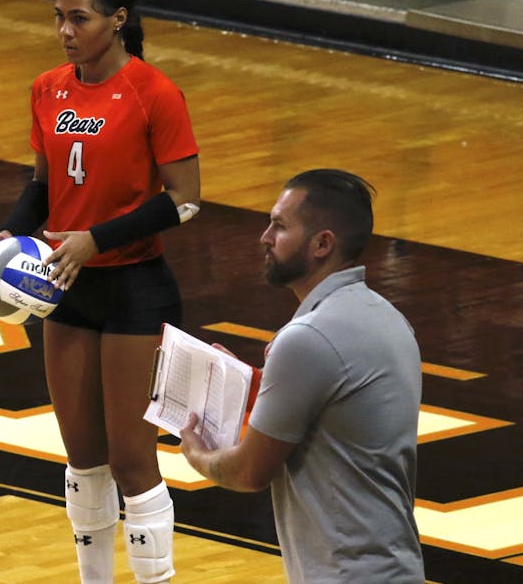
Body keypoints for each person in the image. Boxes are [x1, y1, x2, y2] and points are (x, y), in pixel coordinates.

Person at [0, 0, 201, 584]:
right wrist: (14, 230)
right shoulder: (47, 88)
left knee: (132, 461)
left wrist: (96, 240)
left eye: (78, 18)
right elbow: (43, 182)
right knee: (83, 459)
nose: (64, 30)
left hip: (135, 290)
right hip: (65, 286)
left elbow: (185, 200)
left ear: (118, 20)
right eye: (58, 17)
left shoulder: (154, 93)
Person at [180, 169, 425, 583]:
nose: (264, 237)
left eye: (279, 225)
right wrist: (257, 385)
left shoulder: (308, 338)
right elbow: (341, 412)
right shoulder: (388, 318)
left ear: (322, 244)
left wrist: (196, 453)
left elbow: (248, 471)